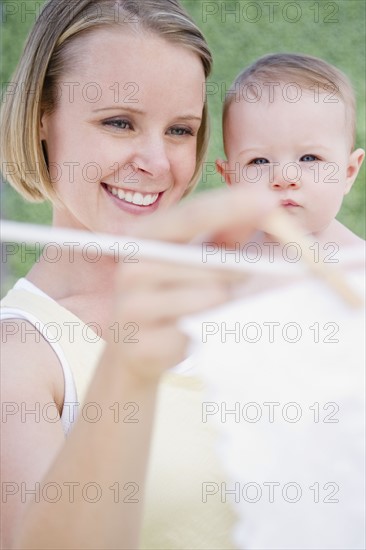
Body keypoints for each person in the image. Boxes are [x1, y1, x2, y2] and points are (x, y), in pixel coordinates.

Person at [0, 1, 274, 549]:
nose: (157, 160)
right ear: (41, 120)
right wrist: (129, 365)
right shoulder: (19, 353)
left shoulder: (248, 282)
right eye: (119, 122)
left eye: (179, 130)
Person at [216, 53, 365, 253]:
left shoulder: (356, 262)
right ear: (230, 179)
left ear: (348, 172)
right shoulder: (222, 256)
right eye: (259, 161)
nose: (285, 178)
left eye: (309, 158)